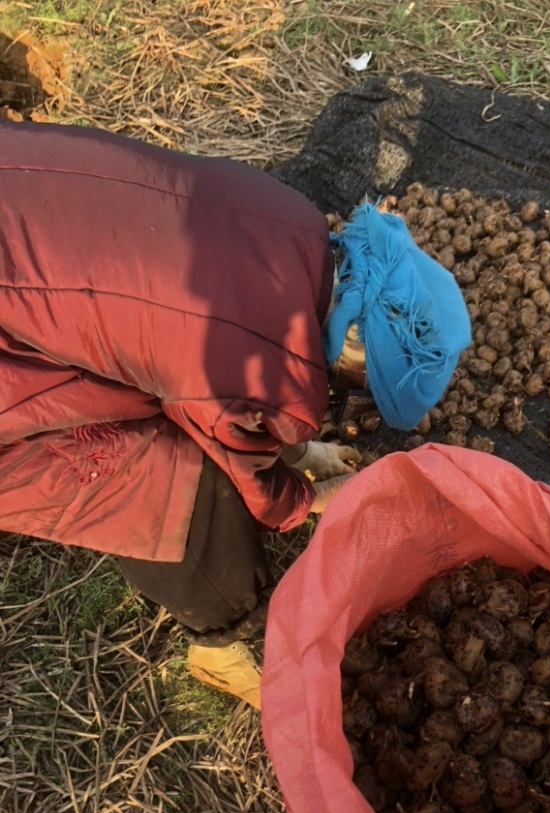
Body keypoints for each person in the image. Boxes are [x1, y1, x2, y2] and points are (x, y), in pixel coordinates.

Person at [0, 120, 472, 709]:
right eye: (360, 379)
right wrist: (311, 496)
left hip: (22, 184)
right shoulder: (262, 368)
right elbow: (252, 476)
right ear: (353, 338)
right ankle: (219, 644)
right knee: (176, 479)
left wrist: (302, 450)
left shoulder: (296, 222)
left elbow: (215, 368)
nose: (350, 393)